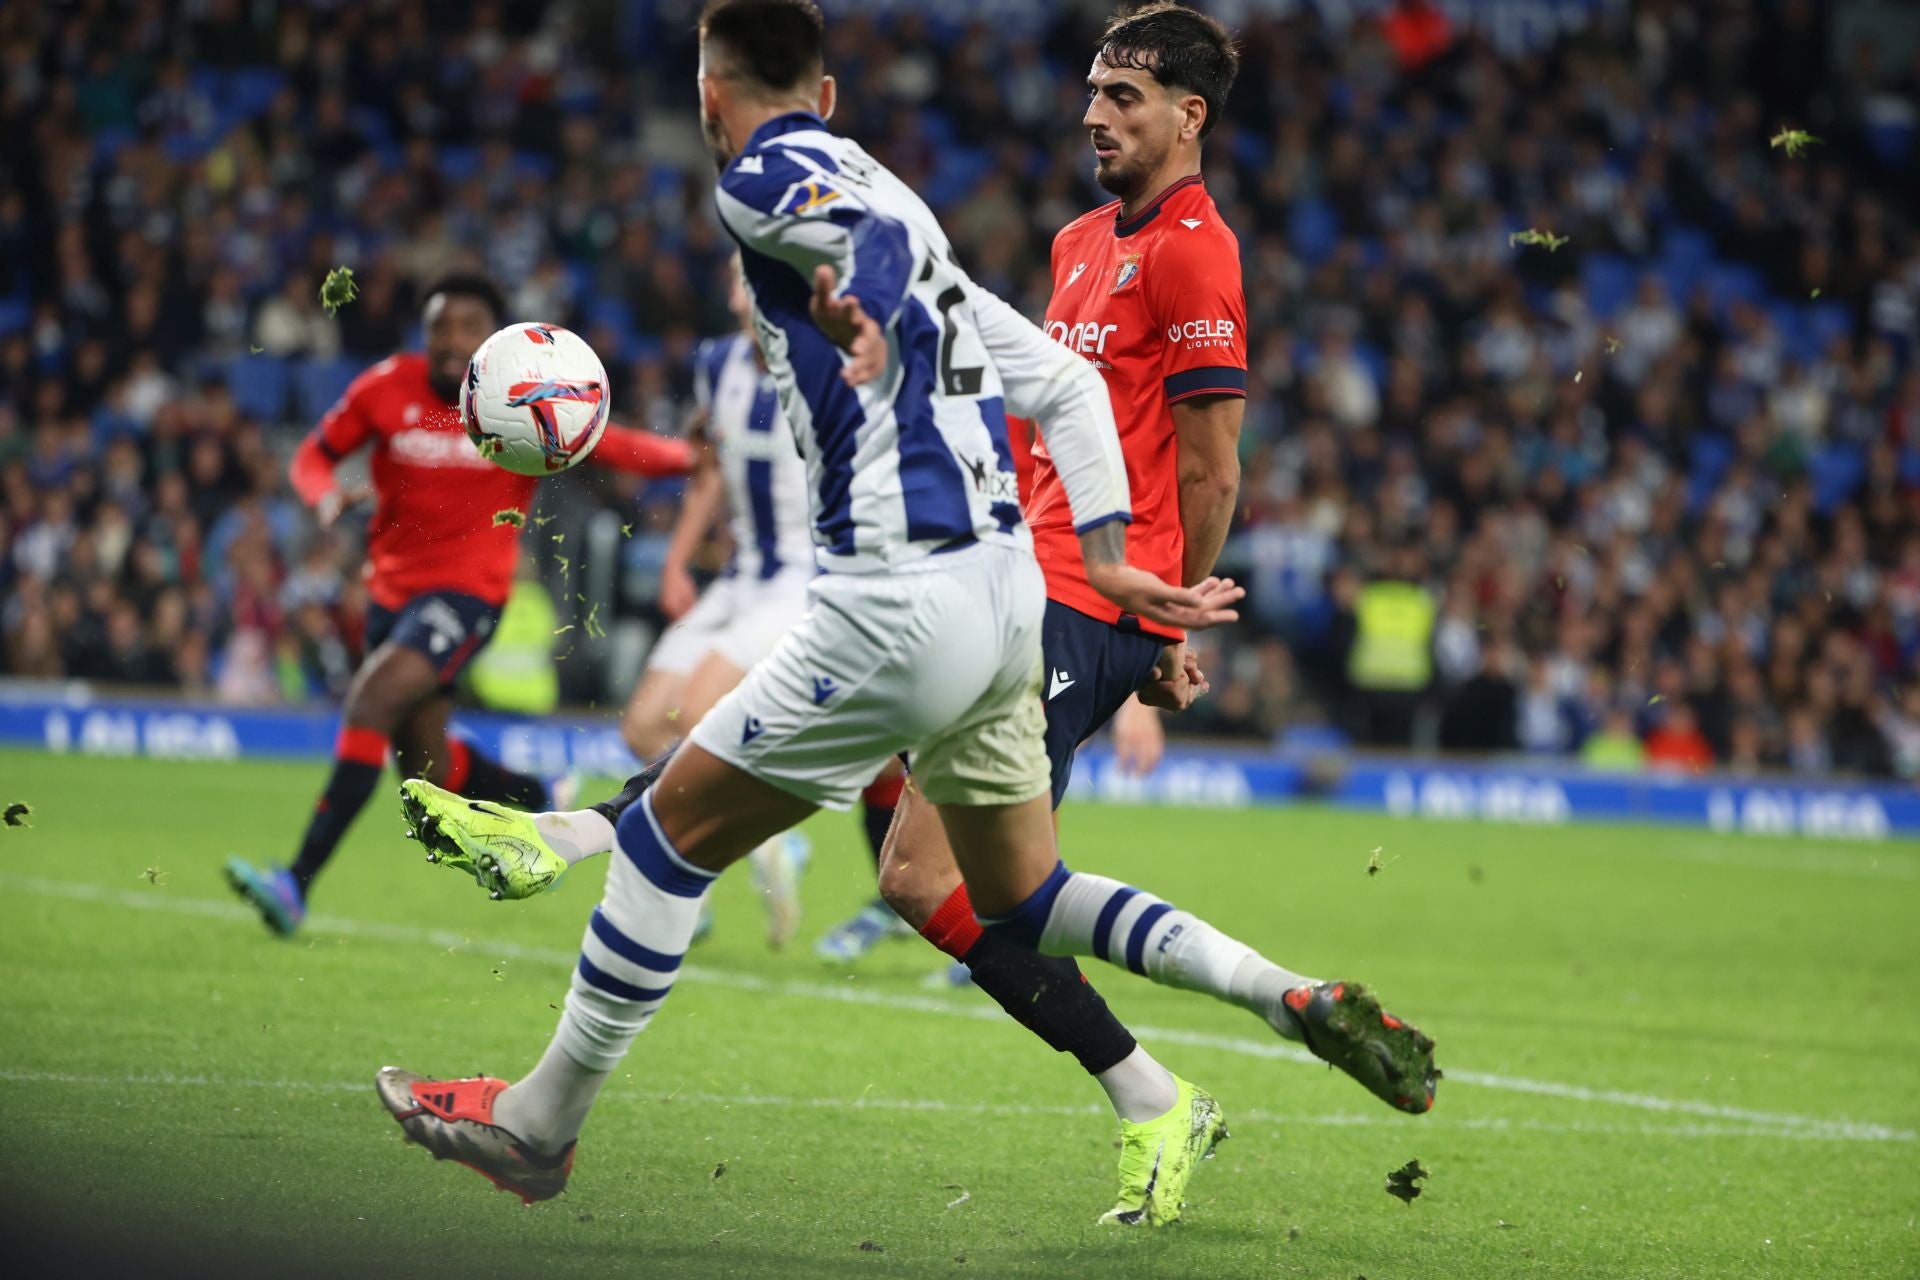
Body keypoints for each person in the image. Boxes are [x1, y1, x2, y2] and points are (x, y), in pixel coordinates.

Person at [376, 0, 1434, 1230]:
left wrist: (862, 303)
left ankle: (537, 1116)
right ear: (830, 96)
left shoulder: (764, 176)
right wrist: (1111, 552)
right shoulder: (913, 204)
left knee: (675, 844)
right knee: (1009, 892)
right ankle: (1273, 999)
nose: (1092, 114)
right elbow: (1068, 384)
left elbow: (1144, 422)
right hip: (1005, 592)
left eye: (1120, 94)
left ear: (715, 99)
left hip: (902, 595)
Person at [222, 275, 693, 936]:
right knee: (426, 768)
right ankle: (541, 793)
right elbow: (314, 457)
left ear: (495, 342)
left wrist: (696, 457)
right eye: (440, 325)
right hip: (390, 595)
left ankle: (294, 882)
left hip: (470, 596)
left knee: (370, 701)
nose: (451, 340)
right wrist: (325, 494)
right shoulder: (384, 387)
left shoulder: (519, 403)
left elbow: (613, 443)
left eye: (469, 326)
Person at [621, 265, 906, 951]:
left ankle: (691, 875)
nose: (732, 298)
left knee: (695, 717)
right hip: (740, 578)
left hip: (806, 579)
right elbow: (709, 468)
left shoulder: (831, 365)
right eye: (729, 284)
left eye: (744, 283)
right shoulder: (716, 364)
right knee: (640, 726)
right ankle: (758, 849)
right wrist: (675, 560)